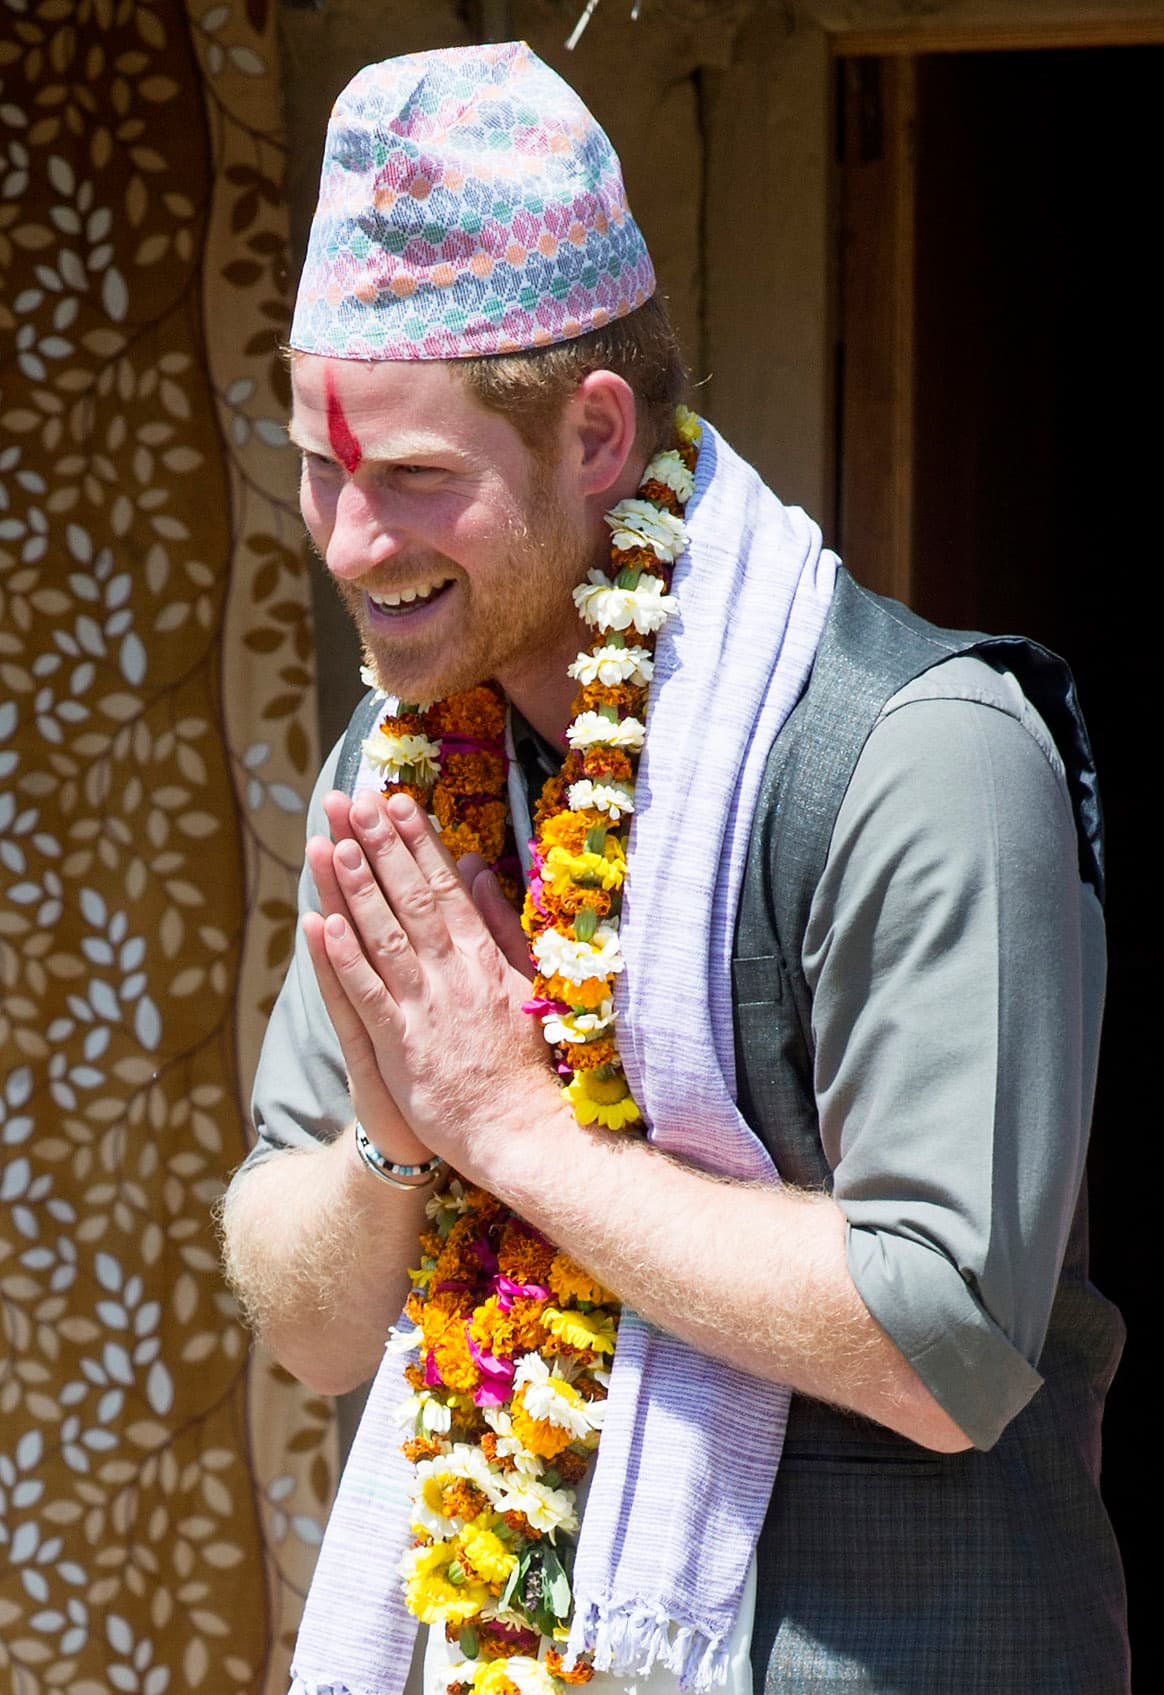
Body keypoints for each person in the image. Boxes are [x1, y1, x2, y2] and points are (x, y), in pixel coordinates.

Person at [219, 41, 1130, 1695]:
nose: (348, 542)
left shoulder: (922, 758)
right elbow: (309, 1323)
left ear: (593, 433)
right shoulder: (401, 777)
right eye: (317, 465)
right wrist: (394, 1135)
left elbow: (947, 1339)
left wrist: (508, 1125)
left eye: (414, 476)